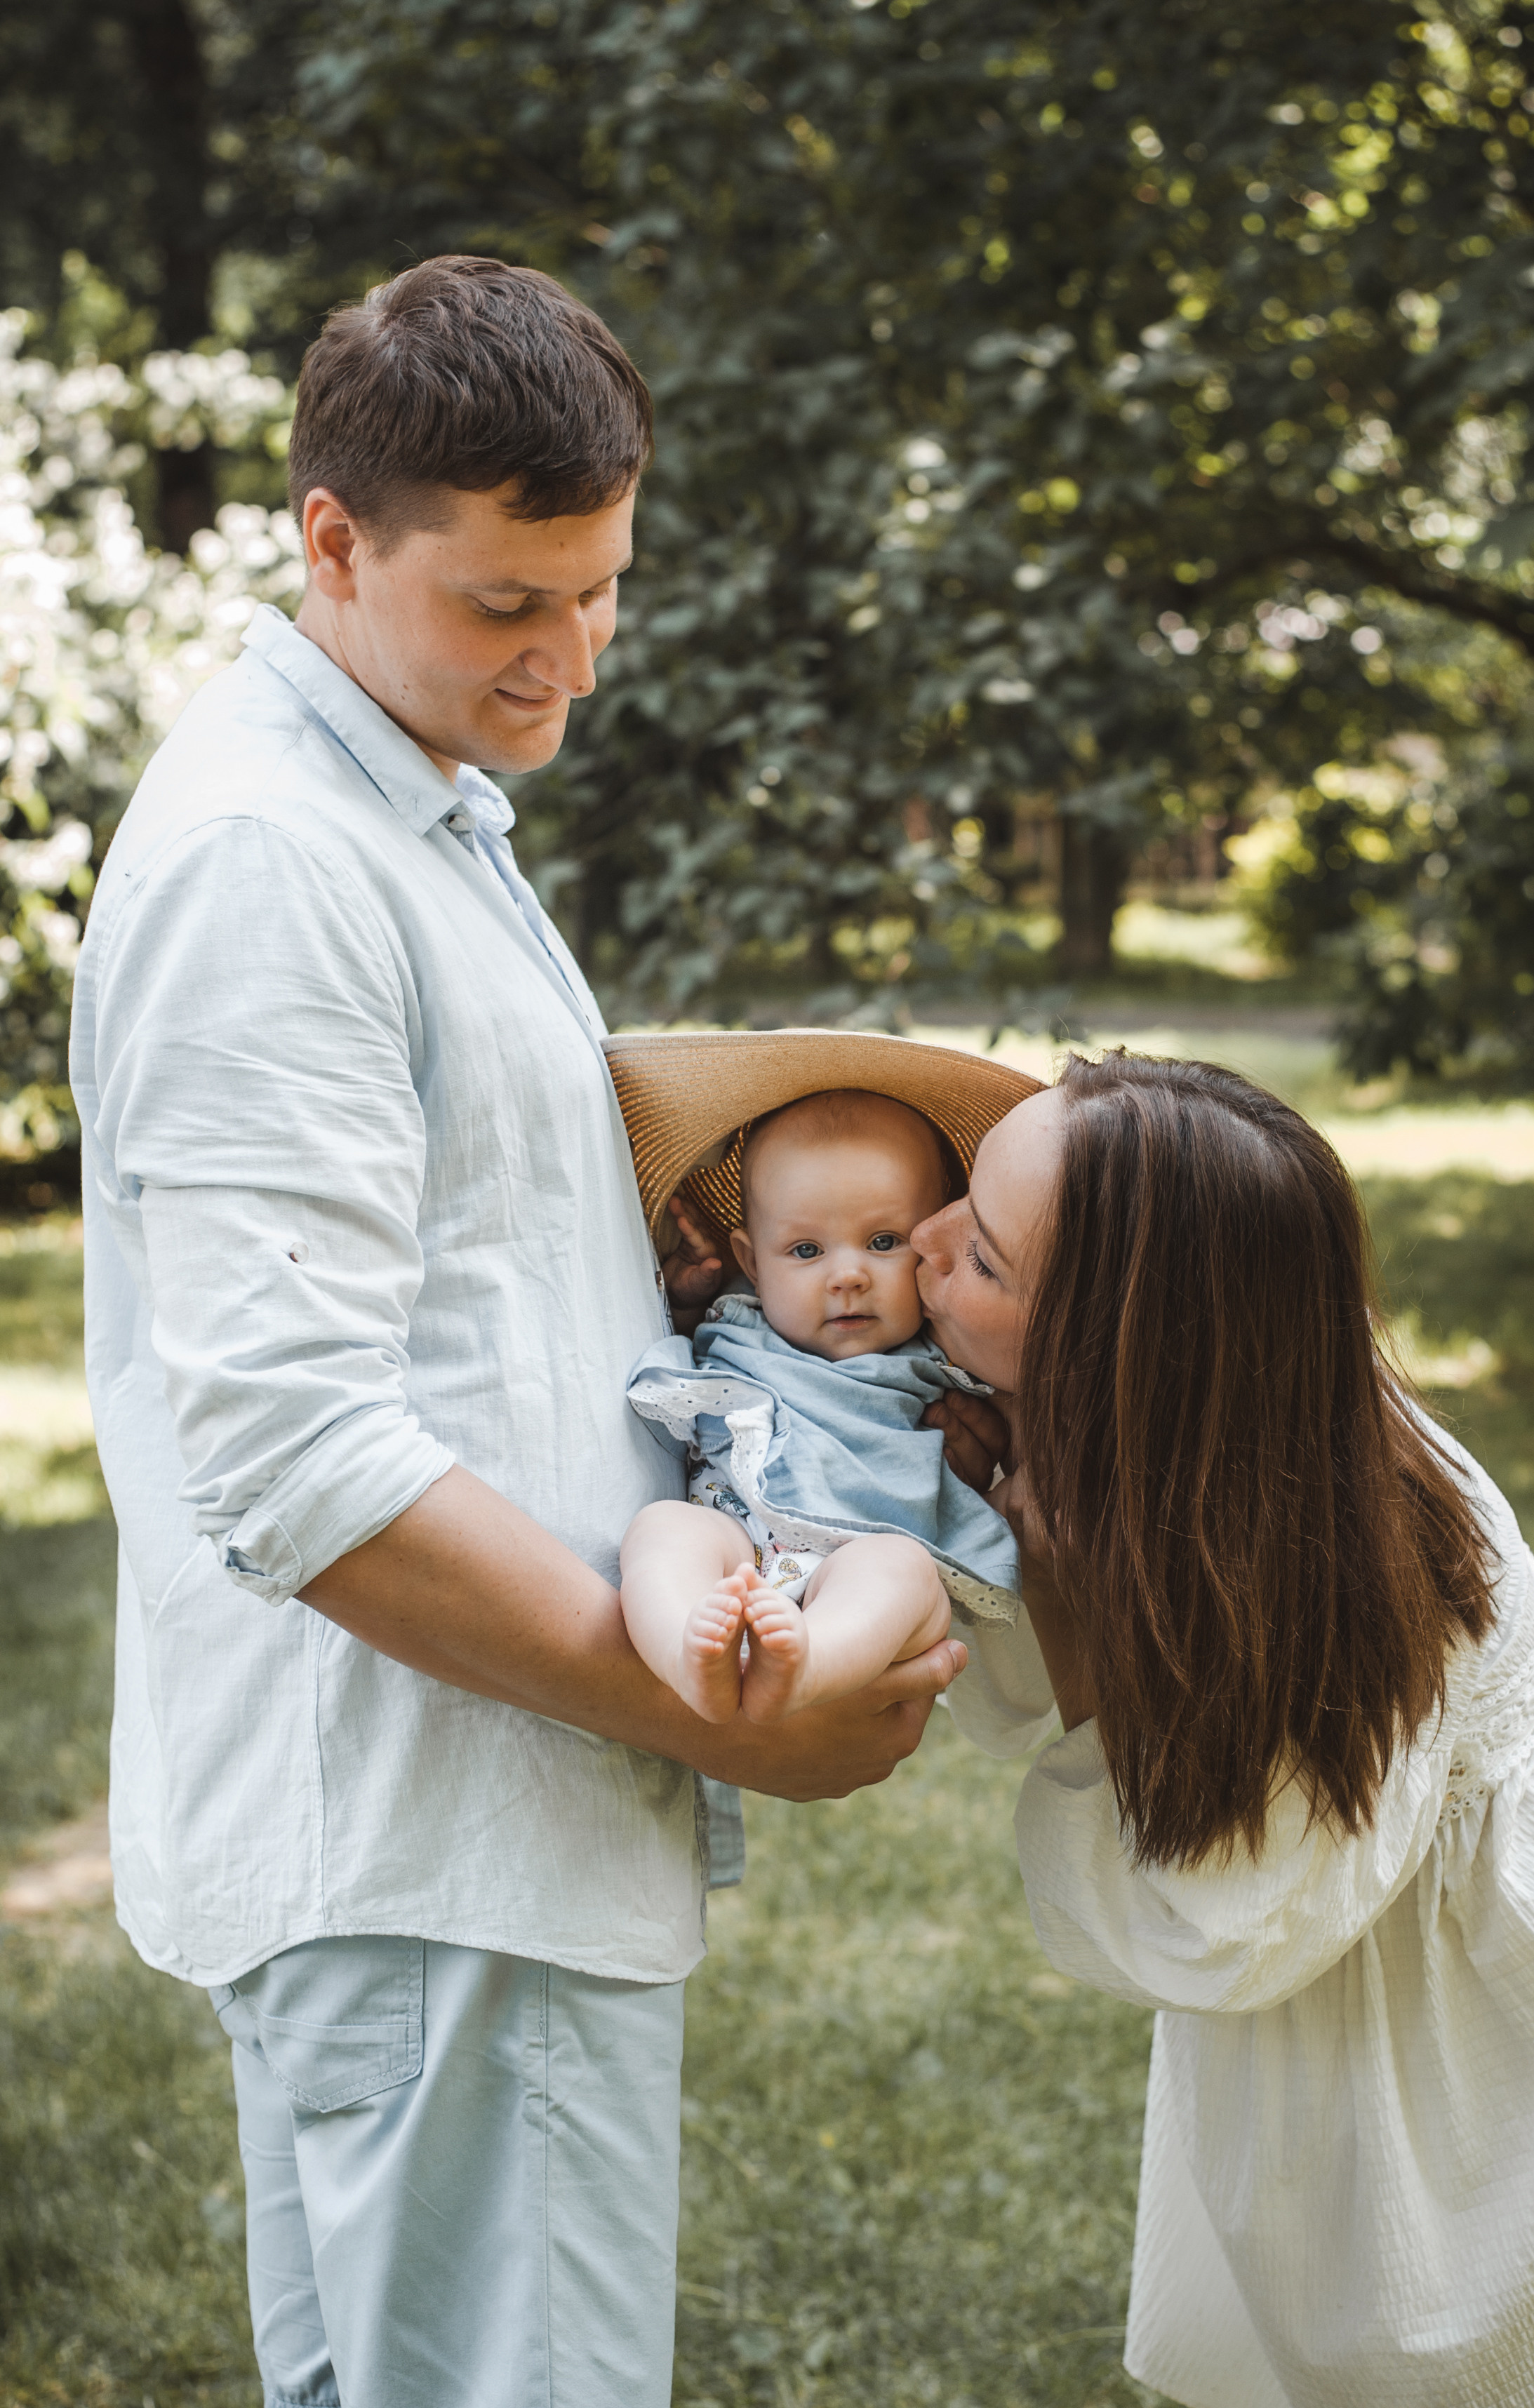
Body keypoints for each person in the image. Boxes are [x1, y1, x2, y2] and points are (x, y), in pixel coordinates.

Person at [69, 255, 966, 2408]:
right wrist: (717, 1720)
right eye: (504, 604)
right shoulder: (273, 862)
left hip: (450, 1859)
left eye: (600, 590)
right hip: (443, 1850)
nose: (565, 656)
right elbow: (298, 1464)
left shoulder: (404, 809)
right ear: (333, 538)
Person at [916, 1049, 1534, 2408]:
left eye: (981, 1258)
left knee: (1473, 2332)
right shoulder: (1199, 1407)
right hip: (1337, 1912)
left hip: (1504, 1978)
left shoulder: (1293, 1575)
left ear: (1109, 1351)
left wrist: (1061, 1601)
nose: (923, 1244)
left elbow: (1214, 1922)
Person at [619, 1088, 1020, 1723]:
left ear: (932, 1245)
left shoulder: (944, 1347)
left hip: (864, 1565)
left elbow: (1019, 1402)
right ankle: (687, 1651)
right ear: (753, 1263)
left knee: (903, 1572)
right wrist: (688, 1299)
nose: (848, 1276)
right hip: (736, 1541)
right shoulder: (740, 1323)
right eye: (807, 1251)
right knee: (663, 1530)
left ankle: (805, 1665)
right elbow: (690, 1347)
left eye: (883, 1241)